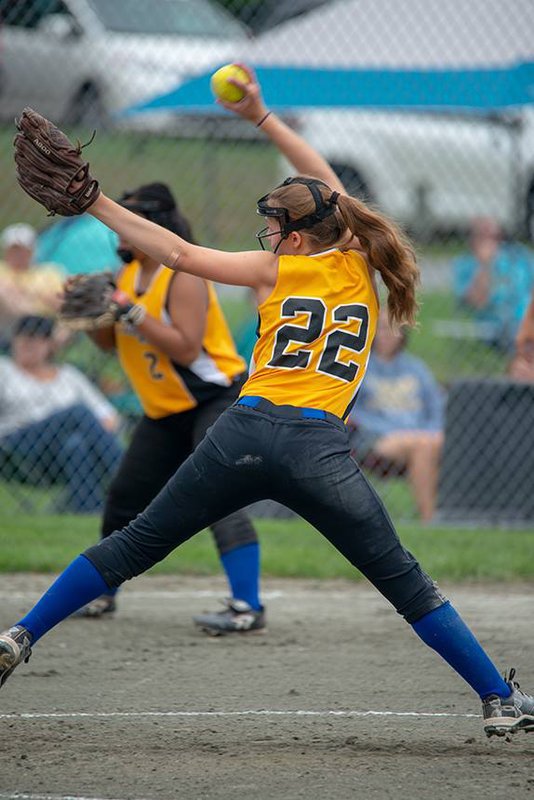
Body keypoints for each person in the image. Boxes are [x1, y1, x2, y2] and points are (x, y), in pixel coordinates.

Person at [2, 67, 533, 739]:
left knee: (134, 544)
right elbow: (327, 191)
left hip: (243, 429)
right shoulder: (361, 259)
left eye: (277, 224)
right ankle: (497, 698)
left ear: (300, 236)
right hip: (319, 449)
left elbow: (176, 250)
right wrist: (262, 116)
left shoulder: (281, 266)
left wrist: (94, 199)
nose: (270, 233)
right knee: (407, 582)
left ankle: (21, 634)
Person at [73, 182, 265, 633]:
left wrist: (130, 311)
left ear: (153, 227)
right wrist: (88, 316)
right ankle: (103, 593)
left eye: (130, 224)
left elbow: (184, 348)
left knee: (219, 493)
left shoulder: (182, 274)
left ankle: (248, 606)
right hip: (165, 410)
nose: (119, 234)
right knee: (124, 499)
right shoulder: (124, 277)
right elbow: (109, 345)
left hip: (213, 399)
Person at [0, 314, 122, 512]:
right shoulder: (4, 370)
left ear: (50, 344)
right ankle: (128, 478)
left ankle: (89, 513)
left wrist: (98, 431)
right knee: (77, 413)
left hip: (56, 457)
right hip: (14, 448)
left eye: (36, 339)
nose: (28, 344)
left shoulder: (68, 376)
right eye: (23, 338)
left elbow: (107, 415)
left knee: (76, 445)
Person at [348, 312, 444, 522]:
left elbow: (436, 407)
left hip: (421, 438)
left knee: (427, 443)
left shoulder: (416, 368)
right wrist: (387, 430)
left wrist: (431, 431)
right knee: (425, 444)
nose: (388, 334)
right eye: (382, 327)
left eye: (394, 328)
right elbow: (352, 411)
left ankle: (433, 517)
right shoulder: (361, 367)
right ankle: (430, 519)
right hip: (376, 440)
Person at [453, 217, 534, 349]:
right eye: (484, 237)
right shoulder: (465, 264)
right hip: (497, 325)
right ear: (473, 240)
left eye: (496, 237)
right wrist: (485, 265)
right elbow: (478, 303)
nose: (492, 243)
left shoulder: (517, 256)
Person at [0, 223, 64, 339]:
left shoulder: (48, 272)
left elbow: (60, 304)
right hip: (7, 323)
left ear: (32, 250)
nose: (17, 254)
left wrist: (22, 292)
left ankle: (33, 326)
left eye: (22, 250)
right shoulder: (2, 269)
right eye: (14, 249)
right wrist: (37, 295)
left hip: (45, 325)